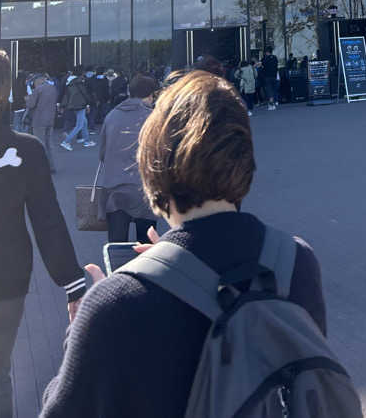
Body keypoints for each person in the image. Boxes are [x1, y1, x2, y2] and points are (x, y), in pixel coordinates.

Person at [40, 70, 328, 417]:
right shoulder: (295, 262)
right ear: (244, 158)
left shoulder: (114, 303)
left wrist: (80, 328)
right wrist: (181, 264)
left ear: (153, 164)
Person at [0, 50, 86, 418]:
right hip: (8, 277)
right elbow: (48, 222)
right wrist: (73, 282)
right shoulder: (26, 150)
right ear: (6, 90)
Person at [99, 74, 157, 244]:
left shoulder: (112, 116)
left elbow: (102, 154)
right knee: (146, 246)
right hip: (144, 190)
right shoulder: (153, 117)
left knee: (117, 245)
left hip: (114, 190)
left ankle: (117, 271)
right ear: (150, 95)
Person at [24, 73, 59, 173]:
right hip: (50, 119)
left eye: (34, 81)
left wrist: (27, 99)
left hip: (39, 120)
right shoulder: (53, 88)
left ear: (38, 80)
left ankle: (41, 167)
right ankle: (52, 166)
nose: (34, 84)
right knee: (49, 144)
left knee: (40, 144)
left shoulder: (38, 90)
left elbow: (31, 105)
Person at [59, 73, 95, 151]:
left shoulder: (69, 84)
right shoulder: (79, 83)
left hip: (73, 106)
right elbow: (85, 94)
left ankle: (87, 140)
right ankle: (66, 141)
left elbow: (66, 96)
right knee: (79, 125)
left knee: (84, 122)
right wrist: (88, 104)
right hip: (81, 105)